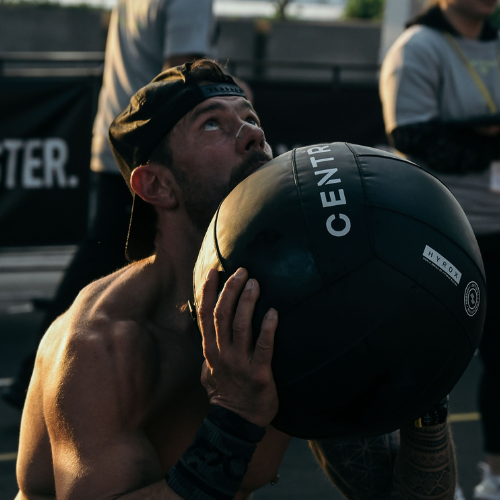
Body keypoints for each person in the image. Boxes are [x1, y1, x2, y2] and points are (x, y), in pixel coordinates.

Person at [16, 59, 457, 500]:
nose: (253, 134)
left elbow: (401, 494)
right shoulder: (102, 346)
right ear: (157, 186)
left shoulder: (292, 301)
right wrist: (236, 418)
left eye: (250, 118)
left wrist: (422, 392)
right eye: (212, 125)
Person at [2, 0, 214, 410]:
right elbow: (182, 81)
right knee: (126, 265)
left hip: (119, 140)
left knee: (113, 264)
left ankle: (52, 378)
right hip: (149, 151)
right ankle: (43, 378)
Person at [380, 1, 500, 499]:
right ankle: (430, 483)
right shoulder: (418, 48)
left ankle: (493, 478)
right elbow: (416, 137)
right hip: (443, 233)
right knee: (428, 365)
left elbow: (453, 137)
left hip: (498, 230)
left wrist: (478, 132)